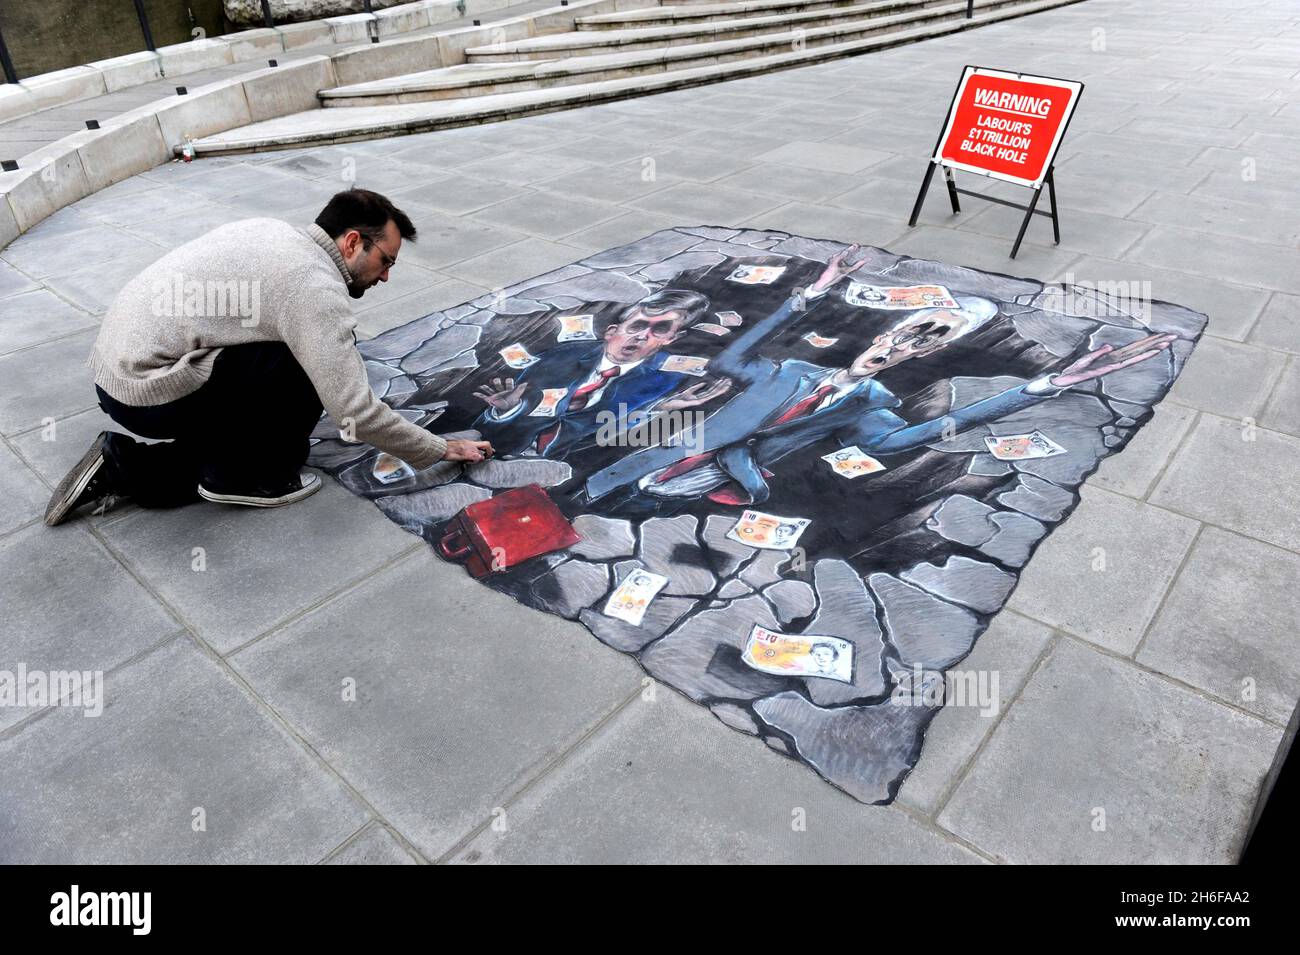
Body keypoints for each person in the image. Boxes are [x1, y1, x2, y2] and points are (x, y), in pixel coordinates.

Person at [583, 245, 1176, 509]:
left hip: (729, 484)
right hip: (671, 451)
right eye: (911, 328)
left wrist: (1042, 389)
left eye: (928, 341)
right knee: (593, 490)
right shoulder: (788, 367)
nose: (907, 342)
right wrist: (812, 293)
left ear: (920, 358)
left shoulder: (872, 403)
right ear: (886, 332)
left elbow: (918, 434)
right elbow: (731, 361)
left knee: (644, 511)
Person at [44, 189, 492, 526]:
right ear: (353, 242)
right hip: (147, 391)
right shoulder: (312, 287)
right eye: (386, 261)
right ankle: (241, 477)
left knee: (288, 356)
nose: (387, 276)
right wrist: (438, 448)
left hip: (114, 372)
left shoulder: (273, 231)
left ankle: (149, 464)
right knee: (302, 372)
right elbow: (353, 410)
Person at [471, 289, 729, 459]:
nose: (641, 336)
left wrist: (660, 408)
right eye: (637, 325)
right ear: (612, 331)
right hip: (502, 450)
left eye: (659, 329)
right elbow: (484, 432)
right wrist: (505, 411)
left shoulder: (665, 382)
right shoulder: (560, 358)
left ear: (673, 338)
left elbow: (619, 441)